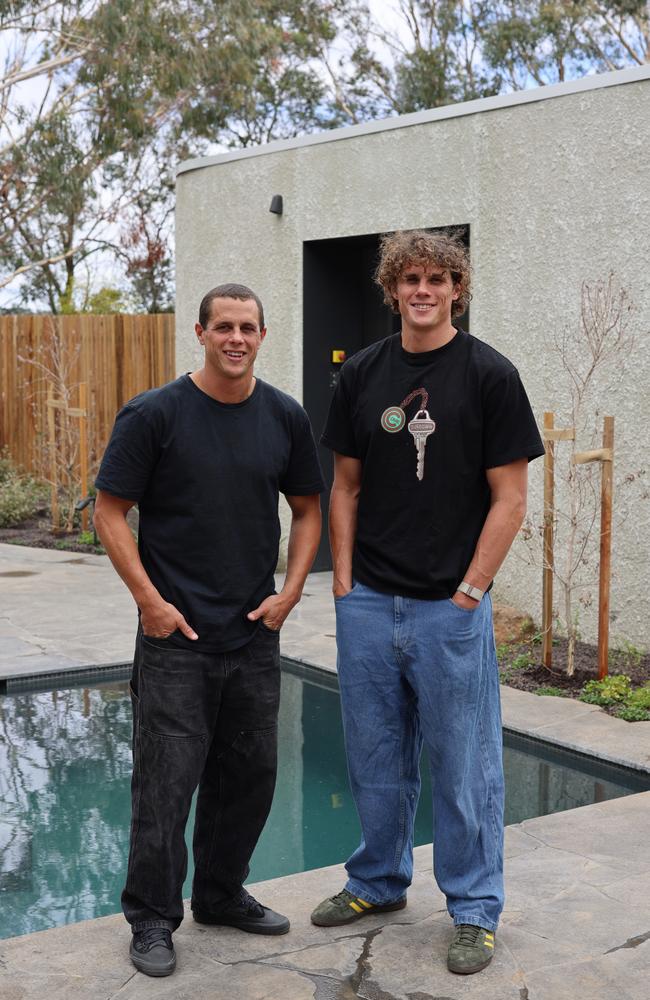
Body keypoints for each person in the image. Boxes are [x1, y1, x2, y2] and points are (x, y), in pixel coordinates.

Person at [311, 231, 544, 976]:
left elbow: (510, 498)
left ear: (457, 289)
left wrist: (472, 590)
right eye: (410, 278)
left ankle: (474, 910)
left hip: (451, 608)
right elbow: (343, 486)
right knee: (376, 758)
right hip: (371, 603)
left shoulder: (489, 375)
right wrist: (344, 582)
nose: (423, 289)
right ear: (391, 288)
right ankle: (377, 882)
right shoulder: (363, 376)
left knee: (464, 764)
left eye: (438, 278)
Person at [94, 283, 324, 978]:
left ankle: (221, 896)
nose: (235, 337)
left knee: (250, 776)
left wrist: (290, 592)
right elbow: (109, 512)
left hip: (253, 635)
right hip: (175, 639)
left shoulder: (284, 417)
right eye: (222, 326)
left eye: (247, 327)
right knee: (166, 786)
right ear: (200, 332)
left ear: (262, 334)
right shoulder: (154, 415)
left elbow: (309, 509)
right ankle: (153, 919)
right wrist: (149, 602)